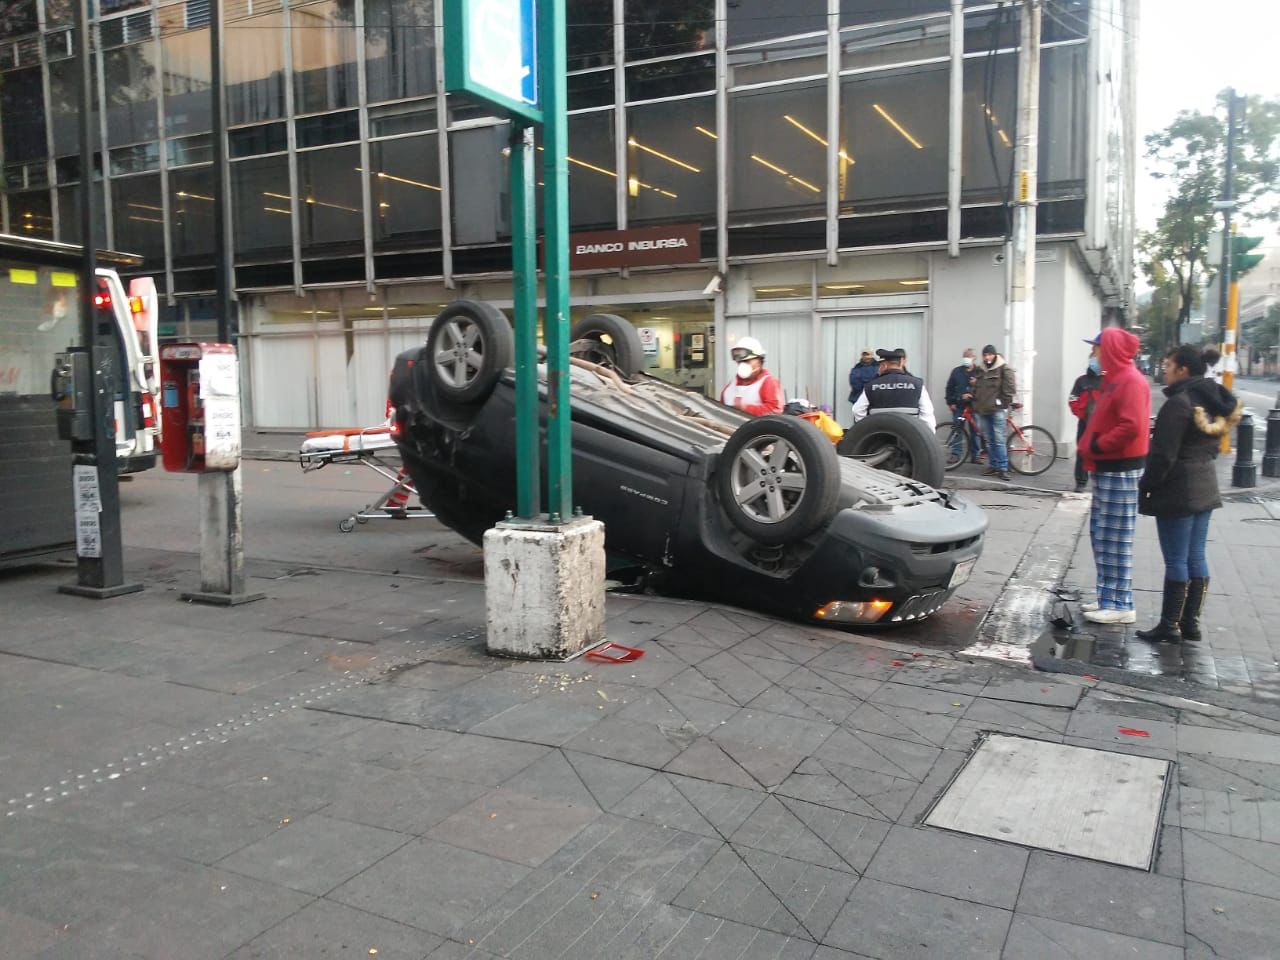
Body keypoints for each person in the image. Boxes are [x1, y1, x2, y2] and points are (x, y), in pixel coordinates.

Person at [1134, 345, 1241, 642]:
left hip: (1178, 491)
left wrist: (1147, 486)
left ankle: (1169, 625)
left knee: (1177, 560)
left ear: (1183, 370)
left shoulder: (1179, 404)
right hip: (1205, 485)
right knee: (1196, 556)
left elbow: (1163, 456)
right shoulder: (1212, 401)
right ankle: (1190, 623)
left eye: (1168, 365)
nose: (1164, 370)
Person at [1077, 327, 1152, 625]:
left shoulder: (1129, 381)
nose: (1093, 354)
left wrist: (1097, 444)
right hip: (1108, 466)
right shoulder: (1116, 379)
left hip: (1120, 468)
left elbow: (1131, 425)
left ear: (1109, 349)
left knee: (1115, 537)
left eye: (1096, 348)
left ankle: (1121, 603)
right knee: (1103, 534)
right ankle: (1110, 596)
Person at [851, 348, 937, 430]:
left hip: (880, 436)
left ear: (884, 365)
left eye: (879, 366)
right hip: (909, 438)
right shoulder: (918, 384)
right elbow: (927, 414)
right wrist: (927, 437)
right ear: (900, 364)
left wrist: (866, 429)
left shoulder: (870, 386)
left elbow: (857, 410)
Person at [971, 344, 1016, 481]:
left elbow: (1010, 388)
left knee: (999, 440)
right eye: (985, 355)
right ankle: (993, 465)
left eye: (989, 354)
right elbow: (977, 387)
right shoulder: (981, 369)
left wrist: (1001, 403)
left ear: (994, 355)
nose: (987, 357)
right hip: (983, 410)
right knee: (989, 440)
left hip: (997, 410)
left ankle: (1003, 468)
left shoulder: (1004, 368)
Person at [1068, 337, 1104, 492]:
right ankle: (1081, 482)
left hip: (1101, 425)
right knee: (1082, 451)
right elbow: (1072, 399)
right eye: (1091, 358)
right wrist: (1082, 413)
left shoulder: (1107, 381)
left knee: (1099, 451)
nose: (1092, 360)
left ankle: (1099, 479)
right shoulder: (1081, 381)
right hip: (1084, 423)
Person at [720, 335, 784, 415]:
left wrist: (745, 408)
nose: (743, 365)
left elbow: (775, 410)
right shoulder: (730, 388)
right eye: (740, 362)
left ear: (759, 360)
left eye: (747, 361)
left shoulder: (768, 382)